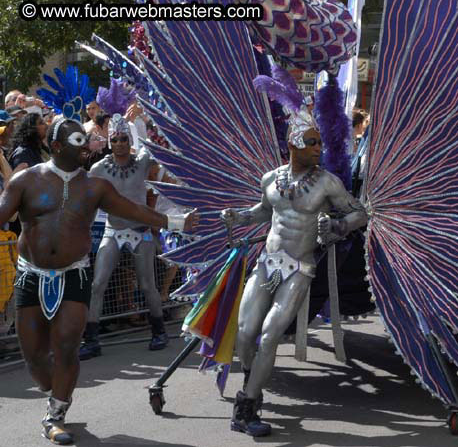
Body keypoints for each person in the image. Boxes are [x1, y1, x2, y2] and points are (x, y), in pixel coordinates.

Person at [0, 118, 196, 445]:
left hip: (74, 274)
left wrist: (175, 221)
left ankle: (56, 414)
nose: (87, 148)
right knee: (34, 357)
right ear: (58, 146)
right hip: (31, 276)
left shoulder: (94, 186)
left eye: (86, 143)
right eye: (78, 144)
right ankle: (53, 387)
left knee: (66, 346)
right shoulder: (25, 181)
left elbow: (134, 210)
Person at [221, 105, 367, 436]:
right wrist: (238, 216)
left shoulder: (328, 183)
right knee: (245, 334)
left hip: (299, 269)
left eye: (320, 142)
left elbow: (360, 213)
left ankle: (247, 405)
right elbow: (263, 212)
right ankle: (252, 379)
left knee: (271, 334)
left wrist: (338, 225)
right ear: (293, 144)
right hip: (267, 264)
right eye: (312, 142)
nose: (319, 148)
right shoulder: (271, 179)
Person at [79, 113, 173, 359]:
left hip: (141, 232)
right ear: (109, 141)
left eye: (123, 139)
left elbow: (159, 145)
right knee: (98, 284)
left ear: (128, 139)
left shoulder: (142, 161)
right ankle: (91, 339)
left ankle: (158, 331)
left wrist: (151, 118)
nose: (119, 143)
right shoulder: (99, 168)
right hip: (113, 230)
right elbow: (86, 198)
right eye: (115, 139)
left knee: (147, 285)